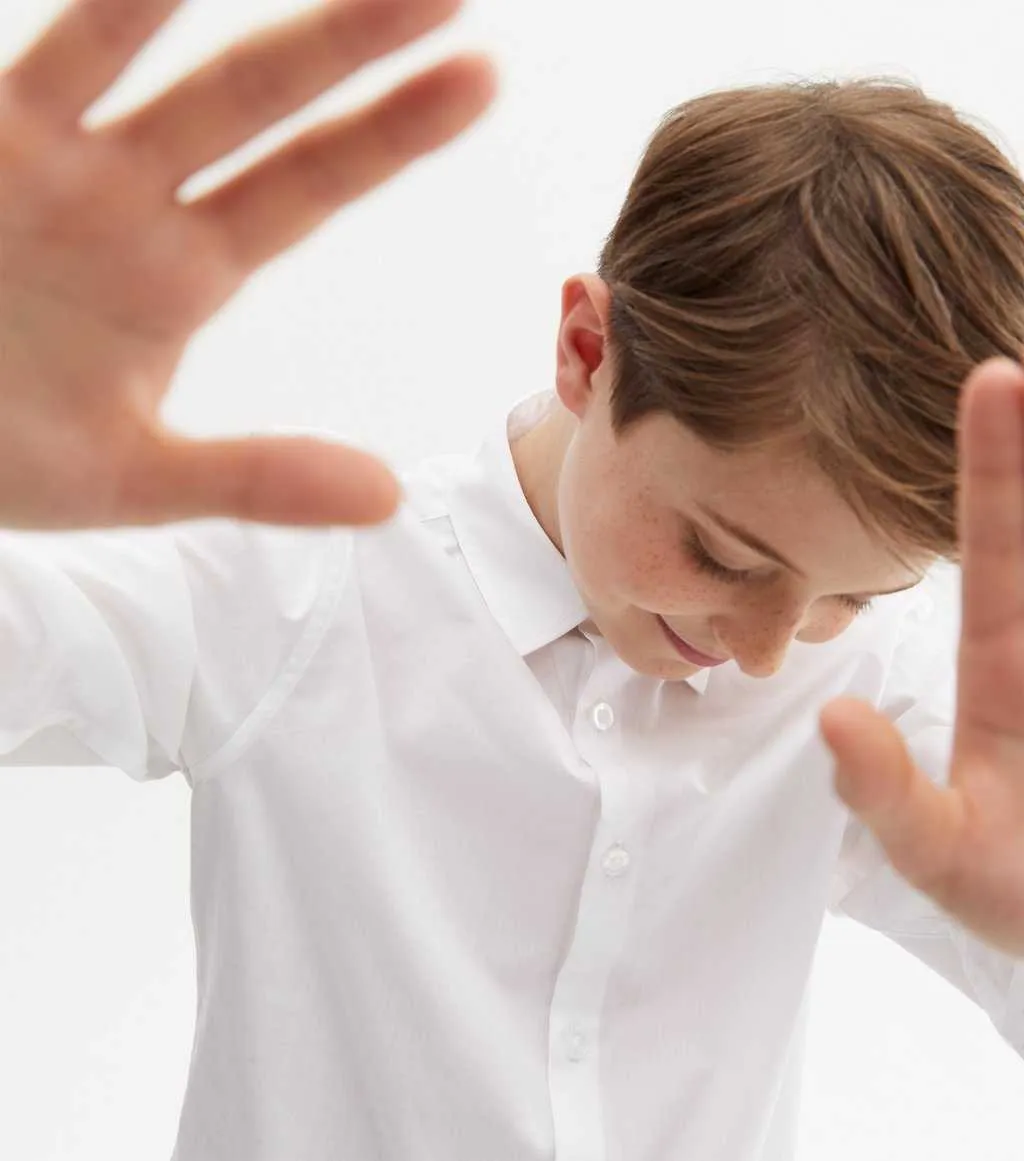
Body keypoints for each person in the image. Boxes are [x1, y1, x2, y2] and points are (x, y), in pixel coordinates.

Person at [0, 1, 1021, 1159]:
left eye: (854, 595)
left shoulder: (873, 703)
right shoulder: (303, 590)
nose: (771, 647)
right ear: (589, 353)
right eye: (726, 557)